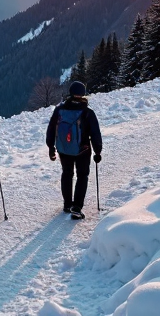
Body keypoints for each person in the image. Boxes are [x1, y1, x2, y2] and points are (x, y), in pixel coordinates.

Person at [46, 81, 102, 220]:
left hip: (63, 149)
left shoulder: (59, 110)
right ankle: (76, 207)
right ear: (83, 94)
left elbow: (52, 129)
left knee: (67, 174)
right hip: (82, 149)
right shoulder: (87, 112)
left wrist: (51, 147)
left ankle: (67, 205)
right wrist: (97, 151)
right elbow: (95, 133)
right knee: (82, 175)